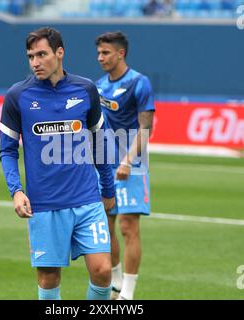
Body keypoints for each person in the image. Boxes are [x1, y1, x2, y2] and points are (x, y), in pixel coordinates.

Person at [0, 27, 116, 300]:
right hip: (45, 204)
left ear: (60, 53)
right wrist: (16, 190)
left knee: (102, 271)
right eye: (30, 56)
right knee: (48, 278)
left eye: (42, 54)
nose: (35, 62)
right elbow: (7, 151)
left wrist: (108, 188)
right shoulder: (17, 96)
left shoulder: (86, 89)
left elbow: (99, 142)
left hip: (87, 199)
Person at [95, 31, 155, 300]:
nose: (100, 58)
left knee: (128, 226)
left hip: (132, 164)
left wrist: (128, 161)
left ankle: (128, 294)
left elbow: (145, 127)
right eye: (98, 53)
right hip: (104, 164)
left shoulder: (139, 83)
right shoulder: (98, 86)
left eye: (105, 53)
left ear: (121, 53)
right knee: (106, 226)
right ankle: (117, 283)